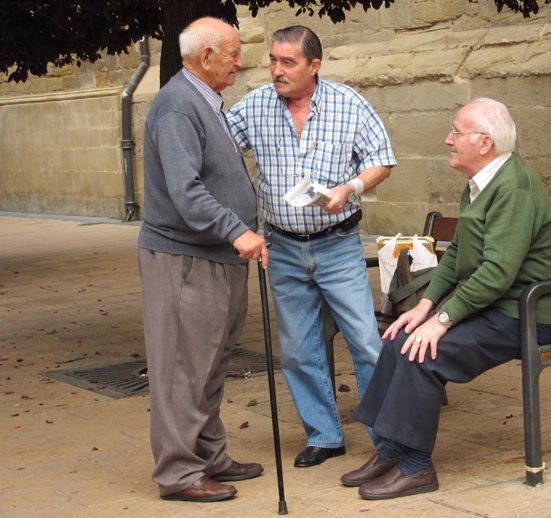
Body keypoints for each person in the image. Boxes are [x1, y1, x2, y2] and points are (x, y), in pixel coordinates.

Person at [340, 98, 551, 500]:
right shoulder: (480, 183)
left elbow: (497, 273)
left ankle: (416, 466)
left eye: (456, 132)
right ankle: (391, 449)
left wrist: (441, 321)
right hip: (492, 307)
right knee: (397, 337)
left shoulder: (514, 187)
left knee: (423, 354)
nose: (448, 140)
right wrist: (425, 307)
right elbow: (457, 254)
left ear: (485, 143)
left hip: (520, 314)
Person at [226, 25, 396, 468]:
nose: (276, 71)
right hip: (281, 247)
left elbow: (382, 159)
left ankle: (390, 438)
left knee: (365, 342)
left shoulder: (348, 103)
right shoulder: (256, 106)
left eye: (288, 63)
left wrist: (350, 187)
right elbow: (216, 149)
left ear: (314, 65)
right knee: (299, 349)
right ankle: (324, 436)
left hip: (338, 245)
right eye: (273, 61)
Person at [137, 17, 269, 503]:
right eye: (233, 53)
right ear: (205, 56)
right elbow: (186, 192)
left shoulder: (204, 100)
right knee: (182, 368)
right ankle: (177, 472)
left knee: (211, 363)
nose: (241, 61)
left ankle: (209, 454)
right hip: (186, 258)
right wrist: (238, 231)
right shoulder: (178, 106)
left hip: (217, 257)